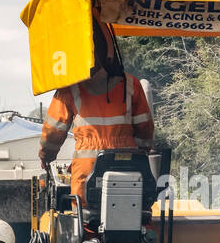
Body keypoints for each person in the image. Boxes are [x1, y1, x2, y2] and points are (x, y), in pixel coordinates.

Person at [38, 18, 154, 201]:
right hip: (128, 171)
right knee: (132, 221)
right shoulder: (131, 84)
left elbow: (53, 131)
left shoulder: (70, 88)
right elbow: (145, 130)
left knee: (85, 223)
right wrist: (138, 153)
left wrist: (46, 156)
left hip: (87, 173)